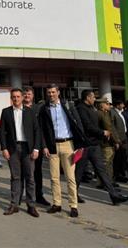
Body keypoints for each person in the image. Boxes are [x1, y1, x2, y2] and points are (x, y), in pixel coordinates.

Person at [75, 89, 128, 205]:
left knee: (102, 171)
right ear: (88, 98)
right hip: (84, 146)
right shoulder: (81, 109)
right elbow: (87, 126)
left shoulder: (91, 109)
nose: (95, 99)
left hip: (94, 145)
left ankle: (114, 196)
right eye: (93, 97)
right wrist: (102, 132)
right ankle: (74, 194)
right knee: (78, 173)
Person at [39, 84, 86, 218]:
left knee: (70, 178)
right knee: (54, 177)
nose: (51, 95)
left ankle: (73, 206)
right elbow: (42, 129)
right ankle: (57, 204)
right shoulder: (44, 109)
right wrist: (44, 146)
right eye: (49, 93)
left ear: (58, 92)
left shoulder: (68, 106)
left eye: (53, 92)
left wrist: (80, 143)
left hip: (68, 144)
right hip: (53, 146)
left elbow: (78, 124)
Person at [0, 88, 41, 218]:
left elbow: (37, 131)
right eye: (14, 97)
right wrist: (4, 148)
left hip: (28, 149)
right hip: (13, 149)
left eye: (18, 96)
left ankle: (31, 205)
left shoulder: (30, 112)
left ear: (22, 98)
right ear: (11, 98)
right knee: (15, 177)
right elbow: (2, 132)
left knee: (30, 178)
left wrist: (36, 149)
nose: (16, 99)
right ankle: (14, 204)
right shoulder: (6, 112)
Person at [21, 86, 50, 206]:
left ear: (33, 96)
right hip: (21, 146)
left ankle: (39, 195)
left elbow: (41, 129)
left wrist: (43, 146)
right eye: (25, 94)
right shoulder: (18, 108)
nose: (27, 96)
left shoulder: (39, 109)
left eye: (29, 94)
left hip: (35, 145)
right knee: (22, 172)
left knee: (37, 172)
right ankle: (20, 195)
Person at [95, 98, 119, 188]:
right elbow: (109, 128)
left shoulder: (105, 113)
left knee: (108, 163)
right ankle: (106, 183)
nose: (109, 105)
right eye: (107, 104)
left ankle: (106, 182)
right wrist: (116, 141)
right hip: (105, 143)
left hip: (107, 142)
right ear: (102, 105)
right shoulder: (101, 114)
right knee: (106, 163)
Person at [111, 100, 128, 183]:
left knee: (123, 157)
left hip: (124, 138)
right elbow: (113, 127)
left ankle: (122, 174)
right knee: (118, 158)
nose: (123, 106)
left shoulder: (121, 113)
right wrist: (116, 140)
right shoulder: (113, 113)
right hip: (119, 139)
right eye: (122, 104)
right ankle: (117, 175)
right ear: (117, 105)